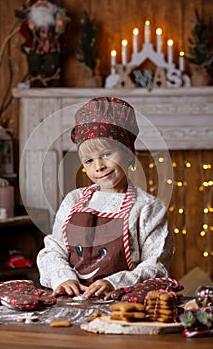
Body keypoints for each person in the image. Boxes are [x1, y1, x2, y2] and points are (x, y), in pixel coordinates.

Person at [37, 97, 174, 300]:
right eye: (89, 160)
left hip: (123, 303)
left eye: (107, 153)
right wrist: (63, 279)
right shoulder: (73, 201)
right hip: (74, 301)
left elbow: (156, 265)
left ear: (128, 153)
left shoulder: (147, 208)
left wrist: (114, 282)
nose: (98, 166)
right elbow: (53, 251)